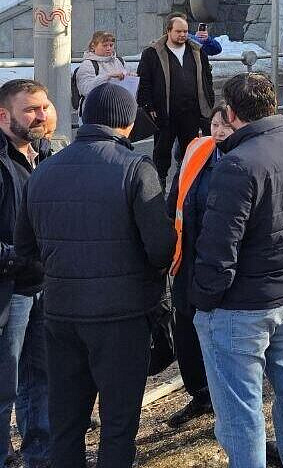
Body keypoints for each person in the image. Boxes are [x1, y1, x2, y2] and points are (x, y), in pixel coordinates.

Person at [15, 82, 174, 468]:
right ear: (128, 123)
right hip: (122, 317)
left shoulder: (43, 171)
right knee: (118, 424)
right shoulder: (135, 168)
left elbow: (25, 249)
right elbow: (160, 249)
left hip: (60, 314)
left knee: (66, 423)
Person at [190, 72, 283, 468]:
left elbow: (218, 248)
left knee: (242, 410)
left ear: (232, 114)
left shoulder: (237, 164)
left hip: (242, 305)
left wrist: (203, 300)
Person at [162, 105, 235, 429]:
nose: (219, 131)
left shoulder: (242, 160)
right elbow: (175, 199)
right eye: (215, 124)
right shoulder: (197, 151)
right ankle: (200, 394)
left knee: (219, 336)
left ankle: (224, 404)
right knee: (186, 332)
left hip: (220, 265)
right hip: (187, 258)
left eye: (226, 126)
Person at [0, 79, 55, 468]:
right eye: (31, 109)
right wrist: (21, 258)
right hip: (9, 292)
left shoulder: (48, 154)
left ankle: (41, 456)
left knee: (43, 380)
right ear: (4, 116)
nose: (41, 115)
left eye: (44, 106)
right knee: (4, 386)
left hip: (44, 287)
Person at [137, 15, 219, 184]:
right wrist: (148, 106)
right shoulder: (152, 53)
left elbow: (207, 76)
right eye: (178, 31)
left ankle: (185, 183)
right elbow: (144, 81)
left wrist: (209, 98)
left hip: (191, 112)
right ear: (168, 31)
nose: (183, 35)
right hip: (164, 112)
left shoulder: (196, 50)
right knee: (162, 152)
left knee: (189, 151)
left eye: (185, 31)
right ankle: (159, 185)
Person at [73, 31, 129, 111]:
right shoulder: (88, 64)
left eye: (111, 45)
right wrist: (107, 77)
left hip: (118, 108)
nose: (108, 48)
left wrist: (130, 76)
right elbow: (85, 89)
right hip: (95, 111)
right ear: (93, 47)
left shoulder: (119, 61)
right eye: (104, 45)